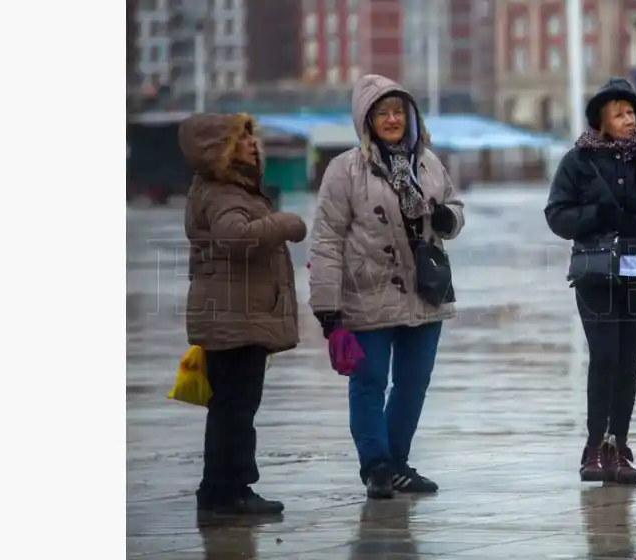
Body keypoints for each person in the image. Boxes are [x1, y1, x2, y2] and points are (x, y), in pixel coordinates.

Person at [308, 74, 466, 500]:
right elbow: (325, 239)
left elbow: (453, 205)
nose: (392, 119)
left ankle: (398, 462)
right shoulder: (345, 170)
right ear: (367, 120)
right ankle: (375, 465)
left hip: (425, 292)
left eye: (399, 111)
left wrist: (449, 217)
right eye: (383, 113)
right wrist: (327, 307)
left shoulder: (428, 162)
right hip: (366, 292)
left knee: (414, 382)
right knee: (368, 381)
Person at [544, 77, 636, 485]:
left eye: (631, 113)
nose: (627, 120)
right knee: (604, 357)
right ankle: (594, 447)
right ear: (601, 121)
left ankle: (618, 446)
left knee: (628, 361)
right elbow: (557, 215)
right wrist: (597, 218)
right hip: (595, 268)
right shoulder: (577, 160)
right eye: (619, 114)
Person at [180, 113, 310, 514]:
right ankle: (228, 491)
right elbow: (236, 237)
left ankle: (223, 488)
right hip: (233, 317)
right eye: (241, 139)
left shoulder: (229, 188)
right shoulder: (223, 193)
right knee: (235, 408)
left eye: (253, 137)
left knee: (232, 407)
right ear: (219, 149)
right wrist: (283, 224)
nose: (252, 145)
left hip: (236, 314)